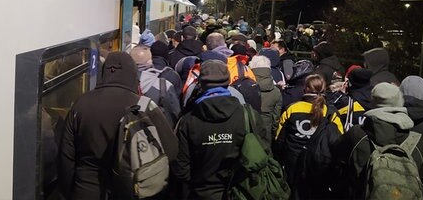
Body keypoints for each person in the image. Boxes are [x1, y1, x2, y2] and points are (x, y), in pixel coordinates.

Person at [57, 52, 178, 200]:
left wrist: (70, 192)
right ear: (133, 75)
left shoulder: (80, 105)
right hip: (130, 190)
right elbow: (171, 150)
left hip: (86, 190)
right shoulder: (144, 106)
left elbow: (66, 158)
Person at [332, 83, 423, 199]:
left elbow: (334, 168)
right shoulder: (418, 143)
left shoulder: (356, 136)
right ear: (400, 103)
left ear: (373, 103)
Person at [172, 60, 249, 200]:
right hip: (237, 192)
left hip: (199, 193)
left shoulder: (187, 121)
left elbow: (181, 169)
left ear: (200, 84)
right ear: (228, 82)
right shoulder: (247, 116)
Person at [274, 74, 344, 199]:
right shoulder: (330, 112)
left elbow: (279, 139)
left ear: (305, 89)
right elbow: (339, 141)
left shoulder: (292, 109)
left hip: (293, 162)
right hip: (319, 164)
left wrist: (280, 159)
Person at [251, 54, 282, 144]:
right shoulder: (276, 91)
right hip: (266, 131)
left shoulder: (246, 87)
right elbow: (276, 117)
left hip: (250, 128)